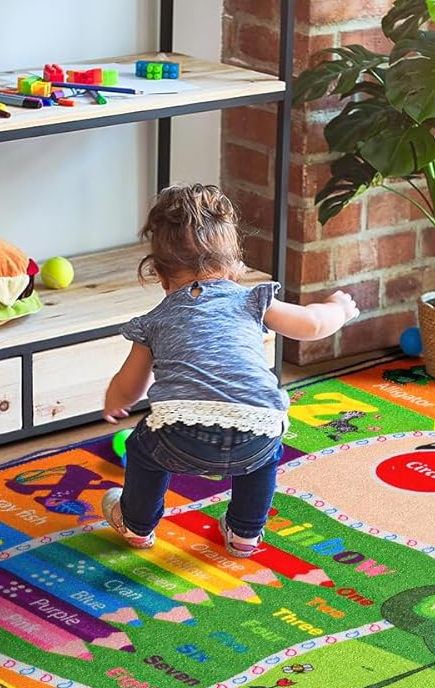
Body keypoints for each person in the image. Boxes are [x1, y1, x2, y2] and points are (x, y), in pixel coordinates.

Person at [100, 183, 357, 556]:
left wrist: (114, 401)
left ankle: (137, 525)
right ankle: (244, 533)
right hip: (256, 430)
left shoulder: (154, 321)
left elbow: (130, 387)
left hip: (181, 435)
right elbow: (312, 324)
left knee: (141, 448)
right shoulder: (253, 299)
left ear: (160, 275)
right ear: (236, 266)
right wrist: (339, 309)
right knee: (266, 454)